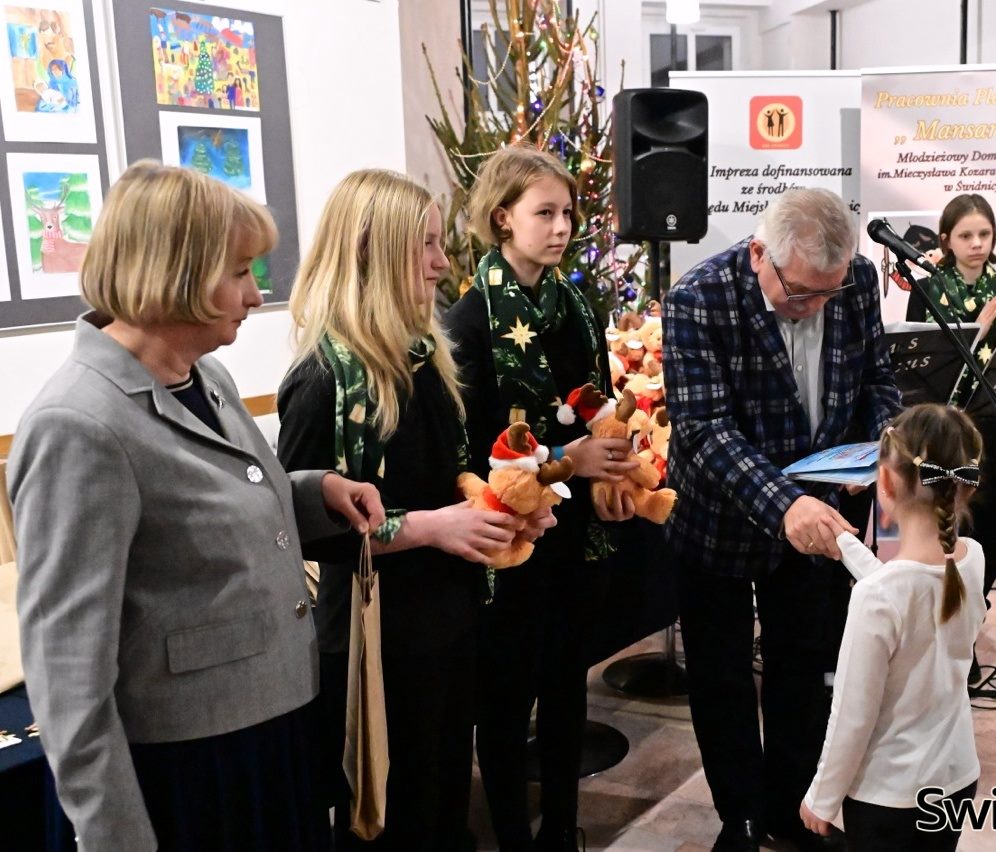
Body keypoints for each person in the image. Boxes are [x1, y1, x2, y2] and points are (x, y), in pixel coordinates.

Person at [7, 160, 385, 852]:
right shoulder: (77, 425)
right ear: (172, 273)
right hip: (189, 769)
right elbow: (68, 675)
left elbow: (216, 509)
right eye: (239, 272)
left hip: (269, 732)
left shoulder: (204, 375)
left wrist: (314, 494)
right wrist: (116, 836)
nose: (256, 294)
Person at [276, 170, 535, 850]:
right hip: (375, 639)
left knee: (444, 806)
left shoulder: (425, 359)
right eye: (424, 244)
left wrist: (501, 511)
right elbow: (305, 528)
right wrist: (434, 528)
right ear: (372, 250)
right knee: (391, 821)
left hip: (446, 618)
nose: (441, 263)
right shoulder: (323, 379)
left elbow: (448, 477)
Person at [663, 187, 903, 852]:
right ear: (757, 254)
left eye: (827, 293)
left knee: (804, 665)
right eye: (799, 293)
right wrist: (783, 503)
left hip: (822, 515)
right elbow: (704, 431)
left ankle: (793, 808)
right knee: (721, 675)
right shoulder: (697, 299)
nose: (815, 306)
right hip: (718, 517)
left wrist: (884, 448)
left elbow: (876, 380)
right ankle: (739, 815)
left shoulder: (854, 279)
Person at [446, 143, 632, 852]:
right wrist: (565, 463)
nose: (561, 228)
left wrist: (609, 473)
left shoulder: (575, 306)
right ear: (502, 218)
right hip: (511, 539)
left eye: (567, 214)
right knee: (504, 697)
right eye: (544, 213)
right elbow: (472, 455)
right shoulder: (468, 322)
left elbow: (597, 403)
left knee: (565, 685)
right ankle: (512, 837)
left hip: (576, 530)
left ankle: (559, 827)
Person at [799, 403, 985, 852]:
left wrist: (822, 798)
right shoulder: (972, 559)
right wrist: (847, 546)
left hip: (890, 799)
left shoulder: (878, 597)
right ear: (963, 485)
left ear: (883, 482)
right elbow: (911, 592)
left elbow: (852, 715)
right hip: (956, 780)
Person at [904, 194, 996, 640]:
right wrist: (980, 329)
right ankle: (943, 624)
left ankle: (974, 614)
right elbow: (919, 367)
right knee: (944, 531)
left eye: (984, 234)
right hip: (943, 431)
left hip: (992, 429)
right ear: (946, 240)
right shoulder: (926, 291)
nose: (977, 244)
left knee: (993, 531)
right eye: (965, 235)